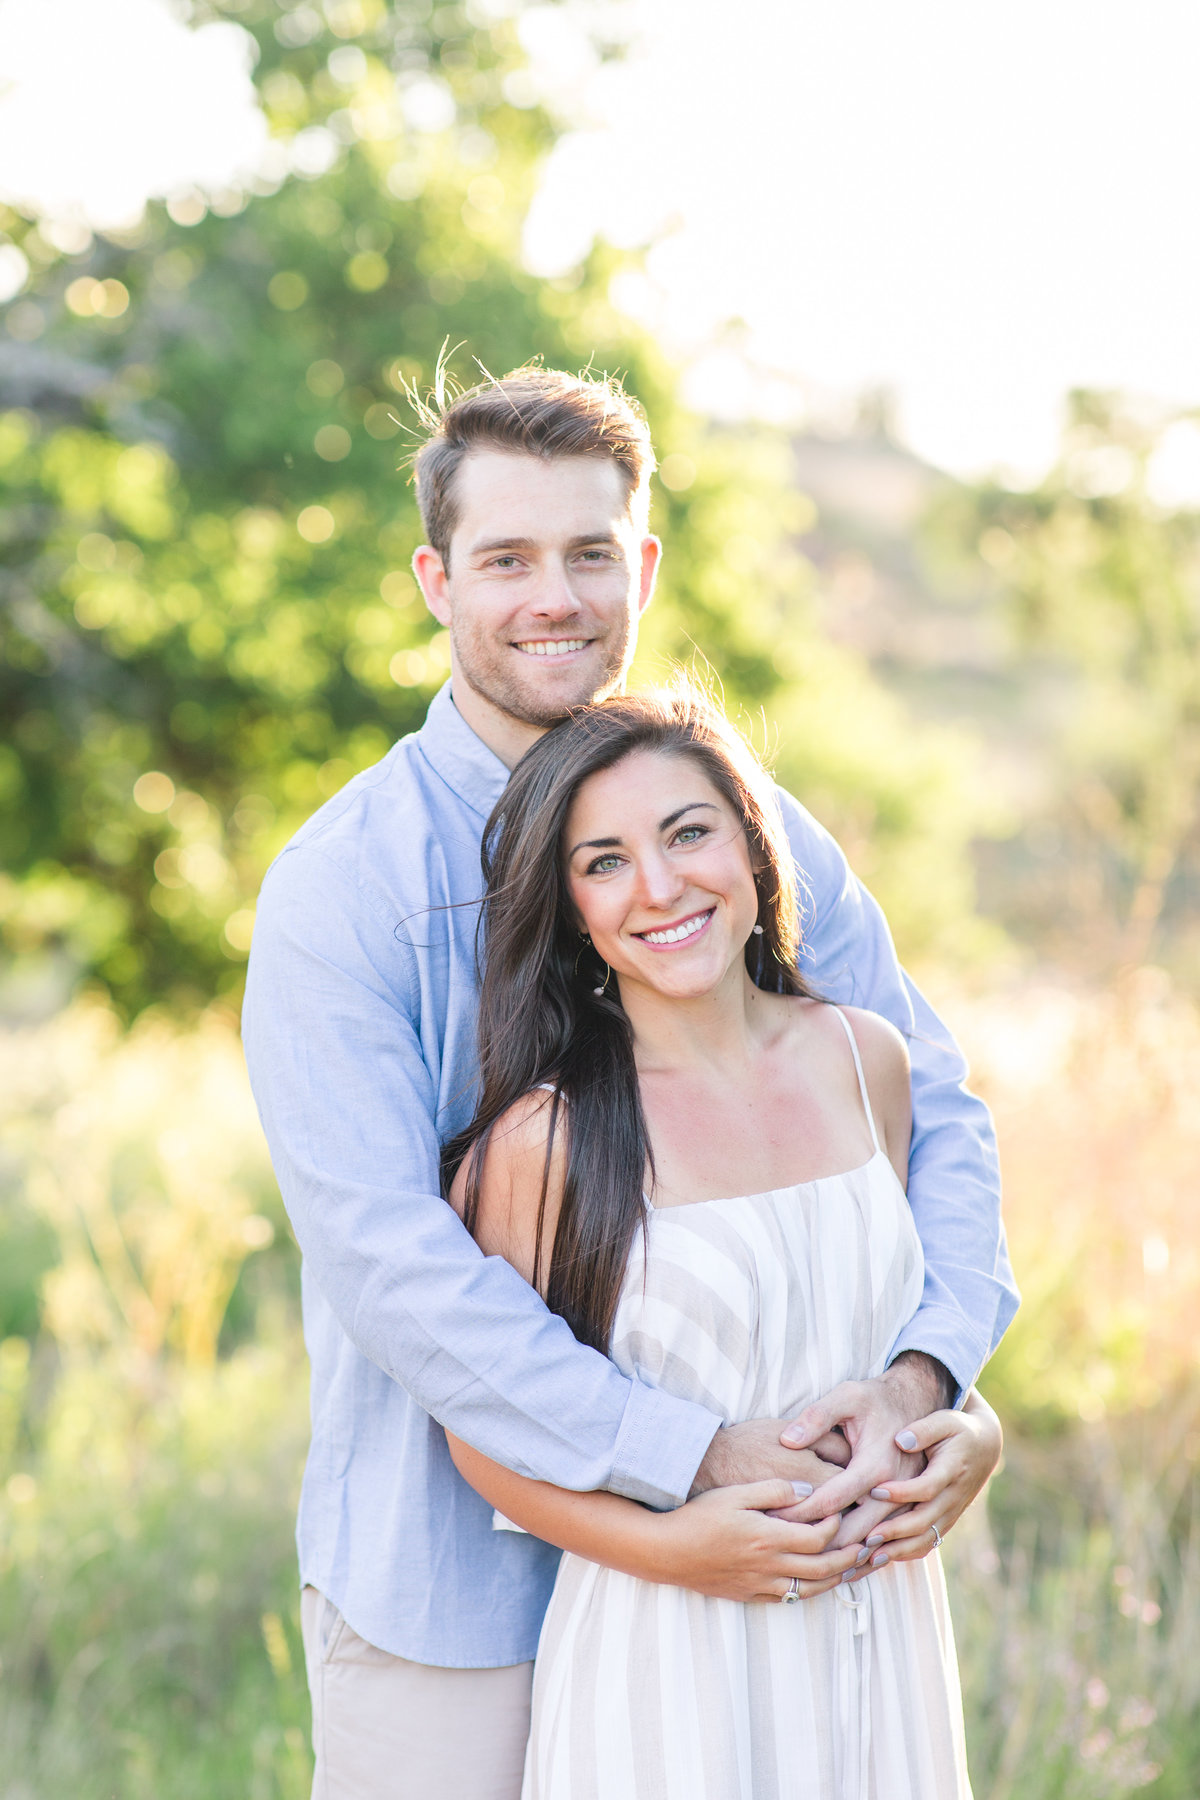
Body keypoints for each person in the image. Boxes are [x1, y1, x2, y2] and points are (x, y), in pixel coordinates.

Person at [241, 366, 1017, 1800]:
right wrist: (689, 1463)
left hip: (779, 1578)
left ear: (642, 565)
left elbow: (936, 1113)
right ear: (435, 580)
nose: (556, 595)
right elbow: (395, 1268)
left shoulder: (748, 832)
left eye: (591, 552)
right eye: (508, 560)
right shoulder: (340, 892)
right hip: (457, 1598)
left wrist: (931, 1382)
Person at [443, 683, 992, 1797]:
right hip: (668, 1657)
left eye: (687, 832)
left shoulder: (865, 1059)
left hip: (879, 1629)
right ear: (574, 912)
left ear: (752, 843)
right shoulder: (546, 1141)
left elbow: (885, 1332)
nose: (658, 886)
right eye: (604, 862)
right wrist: (673, 1549)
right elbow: (484, 1438)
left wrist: (973, 1426)